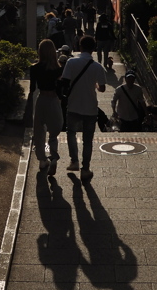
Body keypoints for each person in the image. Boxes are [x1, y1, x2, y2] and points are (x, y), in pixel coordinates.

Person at [60, 35, 106, 181]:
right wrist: (95, 85)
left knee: (71, 132)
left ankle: (74, 161)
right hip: (90, 108)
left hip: (73, 104)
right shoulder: (97, 67)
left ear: (80, 47)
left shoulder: (71, 62)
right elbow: (103, 88)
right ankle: (85, 169)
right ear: (94, 49)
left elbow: (65, 82)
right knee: (88, 140)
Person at [28, 38, 64, 175]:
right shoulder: (58, 70)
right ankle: (53, 156)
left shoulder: (34, 68)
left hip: (41, 99)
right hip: (53, 100)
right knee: (54, 132)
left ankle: (42, 160)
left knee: (39, 131)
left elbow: (32, 88)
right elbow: (61, 90)